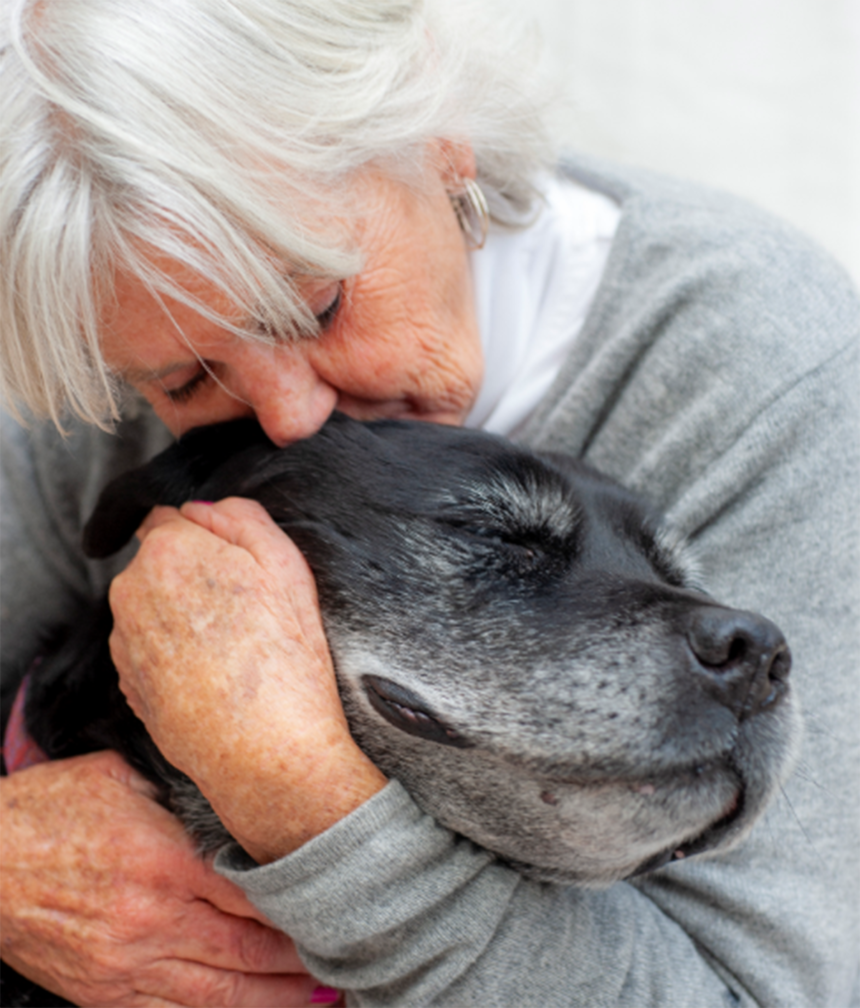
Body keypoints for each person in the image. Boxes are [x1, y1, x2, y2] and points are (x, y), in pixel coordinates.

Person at [0, 0, 858, 1005]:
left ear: (437, 147)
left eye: (319, 304)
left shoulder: (761, 361)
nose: (287, 418)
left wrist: (297, 799)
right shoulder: (111, 337)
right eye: (189, 384)